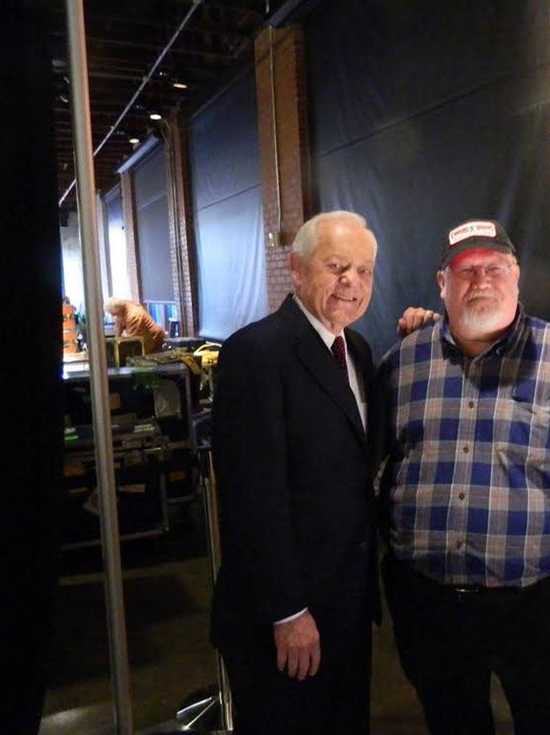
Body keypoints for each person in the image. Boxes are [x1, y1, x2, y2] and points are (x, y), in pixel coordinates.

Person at [378, 218, 550, 735]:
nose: (481, 280)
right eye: (465, 271)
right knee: (452, 722)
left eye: (494, 268)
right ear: (442, 285)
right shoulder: (403, 362)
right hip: (430, 602)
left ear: (516, 277)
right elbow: (373, 463)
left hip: (537, 603)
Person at [210, 211, 381, 735]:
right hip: (283, 616)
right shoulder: (256, 353)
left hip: (345, 605)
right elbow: (251, 496)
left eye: (364, 270)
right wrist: (288, 612)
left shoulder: (358, 350)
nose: (351, 281)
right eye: (336, 266)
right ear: (298, 270)